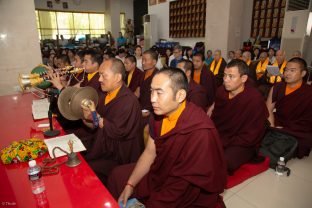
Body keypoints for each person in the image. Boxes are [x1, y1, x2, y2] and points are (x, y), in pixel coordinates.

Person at [107, 68, 227, 208]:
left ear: (180, 95)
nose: (152, 99)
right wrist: (130, 184)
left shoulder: (200, 131)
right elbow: (150, 152)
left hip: (186, 188)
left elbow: (185, 184)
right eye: (151, 91)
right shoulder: (159, 116)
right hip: (160, 171)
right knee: (117, 175)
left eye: (159, 93)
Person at [81, 58, 144, 184]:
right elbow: (95, 124)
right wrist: (86, 117)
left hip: (120, 156)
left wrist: (95, 115)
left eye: (103, 75)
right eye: (99, 75)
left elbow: (117, 132)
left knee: (86, 168)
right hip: (103, 146)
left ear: (117, 77)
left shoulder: (128, 101)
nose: (99, 80)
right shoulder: (105, 95)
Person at [210, 59, 268, 174]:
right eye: (225, 75)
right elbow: (216, 118)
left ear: (243, 79)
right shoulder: (221, 91)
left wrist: (227, 141)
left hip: (243, 141)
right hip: (221, 134)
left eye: (231, 76)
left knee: (226, 162)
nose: (226, 80)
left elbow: (254, 131)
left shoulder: (254, 98)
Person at [266, 57, 312, 158]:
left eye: (292, 70)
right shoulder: (277, 87)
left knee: (306, 139)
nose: (287, 73)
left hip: (297, 128)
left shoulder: (309, 92)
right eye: (286, 70)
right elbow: (268, 110)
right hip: (277, 121)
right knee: (258, 125)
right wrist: (273, 127)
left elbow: (308, 120)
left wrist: (283, 129)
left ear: (303, 73)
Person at [139, 50, 159, 121]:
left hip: (152, 112)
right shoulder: (142, 74)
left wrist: (151, 112)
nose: (143, 63)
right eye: (142, 60)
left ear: (154, 62)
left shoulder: (158, 76)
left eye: (145, 60)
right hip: (141, 109)